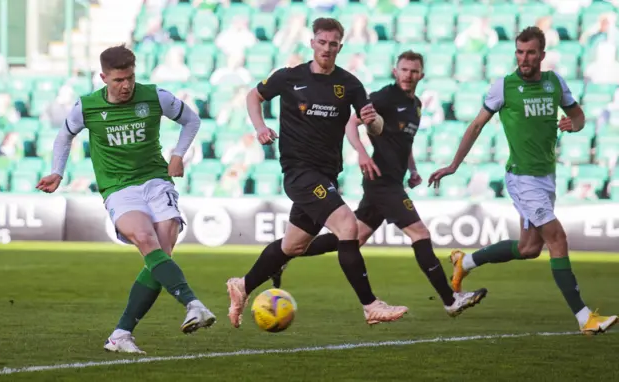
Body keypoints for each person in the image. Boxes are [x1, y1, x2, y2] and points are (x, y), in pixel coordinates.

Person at [428, 27, 617, 335]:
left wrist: (575, 125)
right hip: (522, 178)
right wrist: (453, 165)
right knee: (558, 239)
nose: (524, 58)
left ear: (542, 55)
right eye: (519, 51)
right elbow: (476, 125)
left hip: (546, 177)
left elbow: (579, 116)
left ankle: (466, 261)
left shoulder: (555, 82)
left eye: (530, 52)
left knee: (530, 248)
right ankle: (585, 317)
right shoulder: (504, 86)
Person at [270, 51, 488, 317]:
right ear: (396, 72)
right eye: (404, 70)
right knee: (419, 233)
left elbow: (403, 142)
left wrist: (413, 168)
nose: (409, 75)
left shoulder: (416, 104)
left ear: (421, 74)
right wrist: (361, 153)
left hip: (393, 179)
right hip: (381, 181)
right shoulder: (385, 97)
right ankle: (450, 299)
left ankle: (283, 257)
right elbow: (352, 123)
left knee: (351, 239)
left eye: (414, 71)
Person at [225, 18, 408, 328]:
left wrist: (372, 120)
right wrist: (259, 127)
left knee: (294, 246)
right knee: (348, 226)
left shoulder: (350, 84)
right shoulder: (288, 77)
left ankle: (242, 285)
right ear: (312, 43)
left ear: (340, 46)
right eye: (321, 42)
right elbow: (253, 96)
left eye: (333, 43)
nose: (326, 48)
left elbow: (374, 126)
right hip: (300, 172)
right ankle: (370, 305)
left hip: (327, 174)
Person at [37, 44, 216, 354]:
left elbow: (192, 121)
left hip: (157, 182)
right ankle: (192, 303)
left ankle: (121, 334)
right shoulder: (87, 106)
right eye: (118, 80)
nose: (126, 86)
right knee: (147, 240)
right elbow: (64, 136)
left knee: (161, 257)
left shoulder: (155, 96)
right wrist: (57, 171)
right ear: (103, 77)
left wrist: (177, 155)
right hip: (119, 188)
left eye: (130, 78)